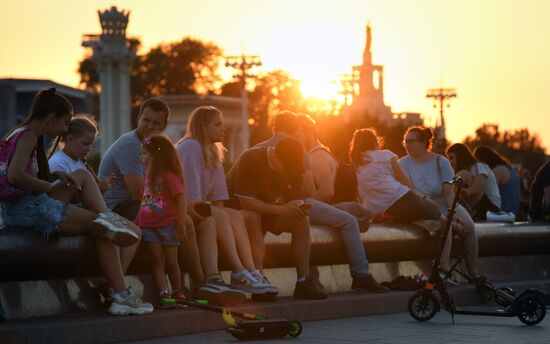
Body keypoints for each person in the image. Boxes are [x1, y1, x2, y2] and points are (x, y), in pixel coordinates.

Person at [0, 88, 152, 315]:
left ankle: (110, 218)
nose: (64, 129)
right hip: (25, 209)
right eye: (65, 123)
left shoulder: (21, 132)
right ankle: (121, 295)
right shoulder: (29, 136)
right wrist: (49, 186)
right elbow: (15, 176)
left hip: (25, 204)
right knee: (103, 228)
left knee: (82, 176)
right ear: (52, 119)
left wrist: (53, 178)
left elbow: (21, 174)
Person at [98, 98, 205, 299]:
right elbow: (138, 193)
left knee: (195, 219)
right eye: (146, 120)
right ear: (138, 118)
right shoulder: (131, 146)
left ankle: (195, 283)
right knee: (186, 222)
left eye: (156, 123)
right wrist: (180, 213)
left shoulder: (156, 147)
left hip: (143, 204)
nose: (150, 126)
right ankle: (200, 283)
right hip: (120, 207)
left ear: (164, 126)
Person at [176, 106, 275, 298]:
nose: (224, 128)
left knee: (232, 215)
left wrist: (224, 223)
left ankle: (250, 271)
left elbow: (218, 200)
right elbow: (192, 200)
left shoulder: (213, 150)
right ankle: (238, 271)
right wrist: (219, 216)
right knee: (218, 216)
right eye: (217, 124)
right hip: (179, 208)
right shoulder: (190, 146)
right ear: (203, 128)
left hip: (197, 209)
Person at [294, 116, 388, 293]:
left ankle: (360, 275)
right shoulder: (323, 151)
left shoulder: (317, 156)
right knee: (351, 218)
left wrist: (319, 208)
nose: (295, 139)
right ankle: (361, 274)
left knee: (349, 219)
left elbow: (326, 191)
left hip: (314, 205)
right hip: (317, 207)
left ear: (309, 133)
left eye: (299, 134)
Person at [226, 138, 328, 299]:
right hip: (235, 210)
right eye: (285, 169)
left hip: (266, 208)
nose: (287, 174)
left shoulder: (293, 162)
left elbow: (296, 194)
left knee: (301, 221)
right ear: (275, 158)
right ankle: (258, 277)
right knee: (255, 217)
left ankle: (303, 281)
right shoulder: (251, 158)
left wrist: (296, 205)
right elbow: (246, 203)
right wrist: (281, 209)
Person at [399, 127, 484, 284]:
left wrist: (453, 213)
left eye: (412, 141)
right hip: (422, 207)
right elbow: (409, 190)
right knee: (447, 226)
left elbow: (448, 193)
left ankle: (474, 272)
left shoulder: (440, 161)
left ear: (424, 142)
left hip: (445, 202)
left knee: (470, 227)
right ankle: (443, 270)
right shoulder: (402, 164)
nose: (407, 145)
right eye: (405, 141)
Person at [350, 128, 444, 225]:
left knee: (413, 219)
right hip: (399, 198)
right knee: (436, 213)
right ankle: (458, 230)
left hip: (376, 210)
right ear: (375, 141)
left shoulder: (356, 166)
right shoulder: (386, 155)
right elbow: (405, 182)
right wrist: (425, 198)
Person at [138, 134, 187, 305]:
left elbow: (181, 199)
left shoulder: (169, 177)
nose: (141, 157)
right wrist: (138, 221)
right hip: (148, 226)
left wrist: (180, 223)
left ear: (156, 156)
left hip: (168, 225)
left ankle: (177, 290)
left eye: (144, 154)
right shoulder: (147, 178)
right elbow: (144, 201)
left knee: (172, 261)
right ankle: (163, 292)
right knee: (157, 259)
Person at [48, 114, 115, 193]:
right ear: (70, 139)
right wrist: (99, 188)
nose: (89, 149)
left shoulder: (81, 163)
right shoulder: (58, 163)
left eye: (91, 144)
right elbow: (62, 197)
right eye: (85, 144)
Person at [446, 143, 501, 221]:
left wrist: (460, 194)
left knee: (462, 175)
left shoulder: (479, 166)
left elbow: (476, 189)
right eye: (448, 159)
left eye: (452, 158)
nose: (450, 162)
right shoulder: (468, 169)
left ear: (460, 156)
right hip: (480, 205)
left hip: (491, 207)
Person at [473, 146, 520, 216]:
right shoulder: (510, 170)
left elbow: (485, 192)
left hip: (502, 213)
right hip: (513, 212)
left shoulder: (497, 171)